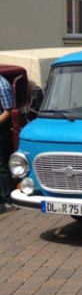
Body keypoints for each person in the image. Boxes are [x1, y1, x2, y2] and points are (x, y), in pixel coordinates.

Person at [0, 75, 14, 211]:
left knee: (2, 166)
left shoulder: (2, 85)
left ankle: (7, 200)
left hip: (2, 130)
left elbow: (8, 112)